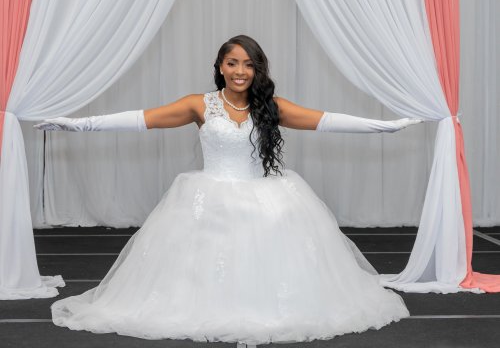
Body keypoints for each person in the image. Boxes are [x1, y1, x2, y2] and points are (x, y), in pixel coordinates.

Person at [36, 35, 420, 347]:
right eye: (233, 63)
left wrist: (384, 127)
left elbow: (326, 121)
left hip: (265, 199)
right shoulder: (199, 105)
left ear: (257, 70)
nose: (240, 71)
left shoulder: (271, 107)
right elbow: (143, 119)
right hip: (209, 199)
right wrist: (79, 124)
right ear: (220, 66)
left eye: (248, 64)